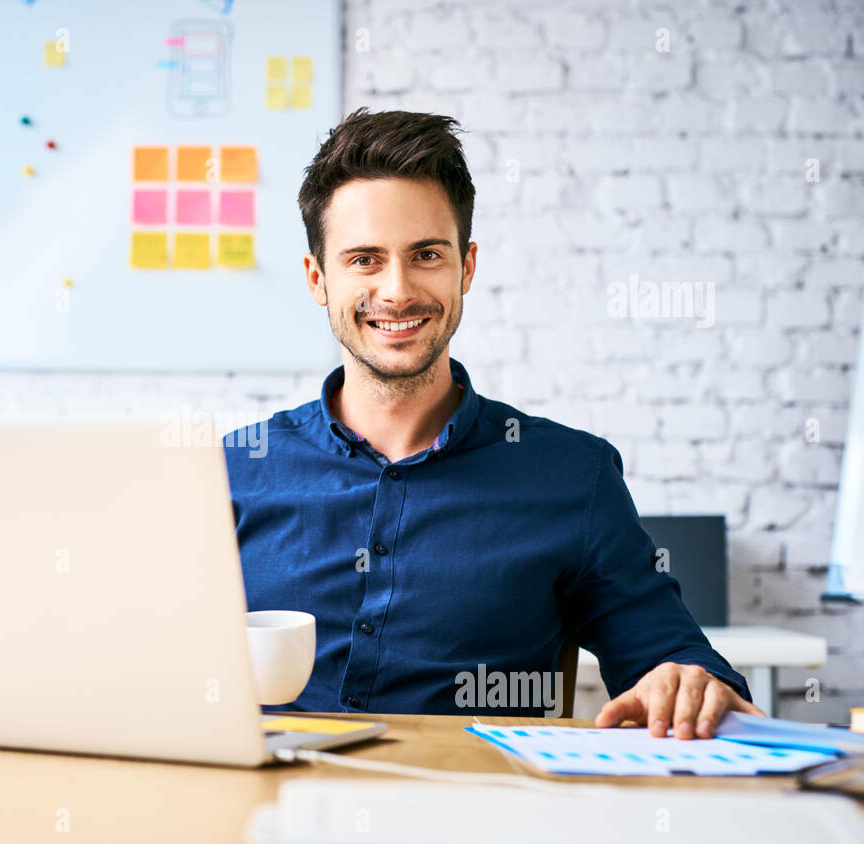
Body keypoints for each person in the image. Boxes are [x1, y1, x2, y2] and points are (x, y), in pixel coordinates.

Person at [222, 108, 764, 738]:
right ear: (318, 277)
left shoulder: (572, 477)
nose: (396, 291)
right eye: (365, 260)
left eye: (426, 254)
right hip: (265, 813)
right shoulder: (234, 471)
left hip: (479, 816)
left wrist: (689, 681)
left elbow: (675, 661)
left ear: (467, 267)